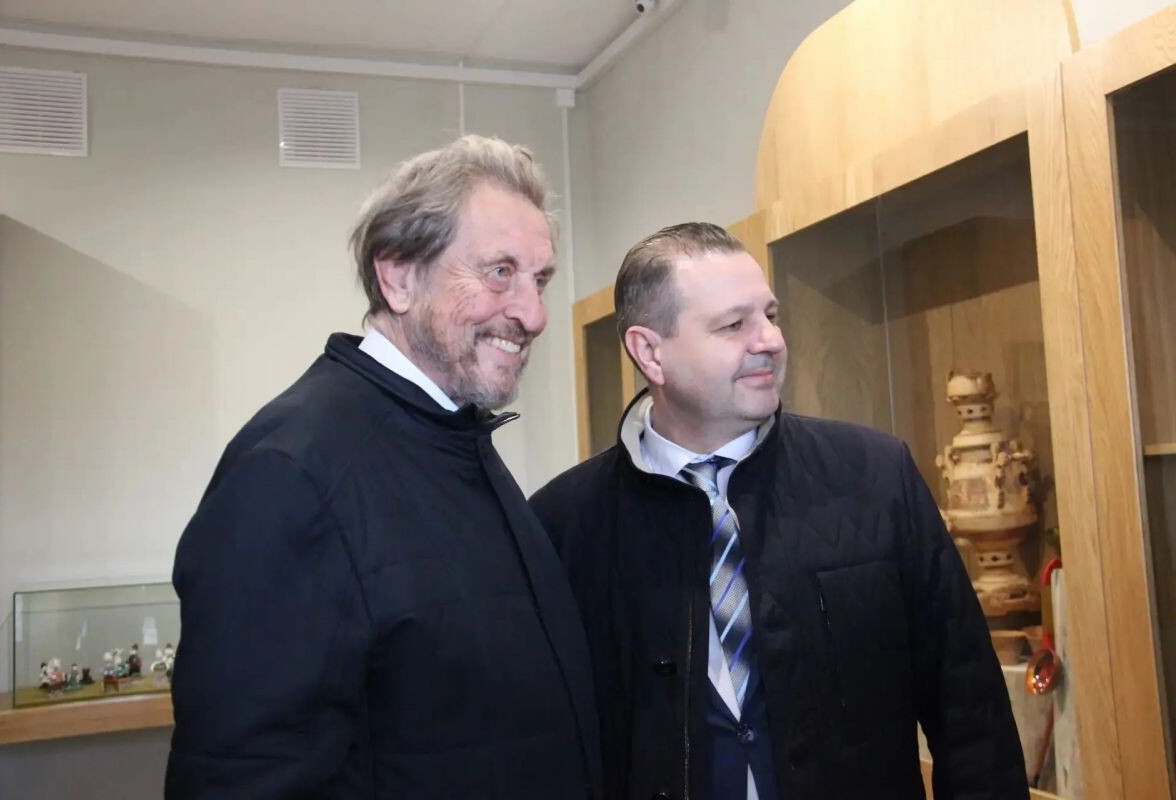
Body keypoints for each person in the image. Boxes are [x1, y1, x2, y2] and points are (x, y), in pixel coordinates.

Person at [166, 135, 601, 798]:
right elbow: (244, 776)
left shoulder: (452, 435)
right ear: (398, 277)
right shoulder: (290, 474)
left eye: (539, 279)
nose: (534, 314)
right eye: (499, 272)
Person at [530, 223, 1027, 800]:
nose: (769, 340)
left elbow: (971, 713)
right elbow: (546, 749)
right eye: (733, 325)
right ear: (650, 352)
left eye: (771, 315)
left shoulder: (876, 477)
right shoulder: (562, 525)